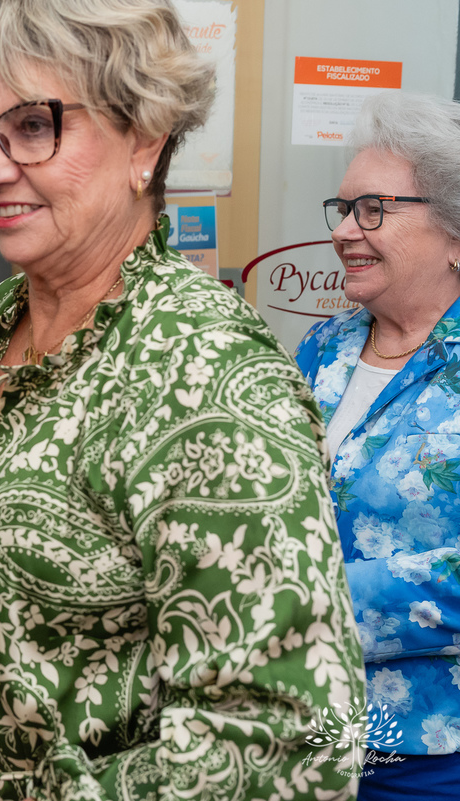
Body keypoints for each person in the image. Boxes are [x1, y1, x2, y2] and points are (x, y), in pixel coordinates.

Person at [0, 1, 367, 798]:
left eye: (33, 127)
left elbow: (287, 746)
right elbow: (39, 566)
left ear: (145, 138)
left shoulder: (202, 373)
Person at [296, 90, 460, 800]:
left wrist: (304, 597)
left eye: (373, 209)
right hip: (303, 729)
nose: (344, 231)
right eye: (342, 209)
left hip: (430, 756)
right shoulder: (319, 349)